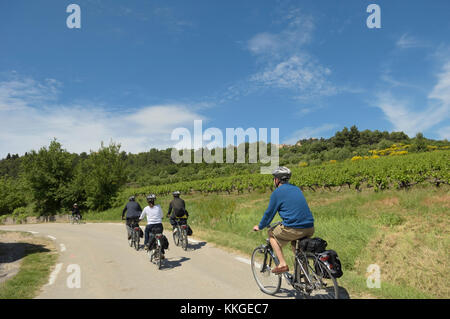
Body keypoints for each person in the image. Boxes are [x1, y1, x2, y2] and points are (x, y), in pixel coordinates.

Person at [253, 167, 315, 274]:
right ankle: (305, 279)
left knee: (271, 234)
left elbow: (269, 214)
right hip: (309, 227)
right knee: (297, 246)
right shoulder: (296, 189)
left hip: (294, 228)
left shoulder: (277, 193)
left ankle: (282, 263)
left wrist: (260, 226)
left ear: (277, 180)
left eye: (274, 178)